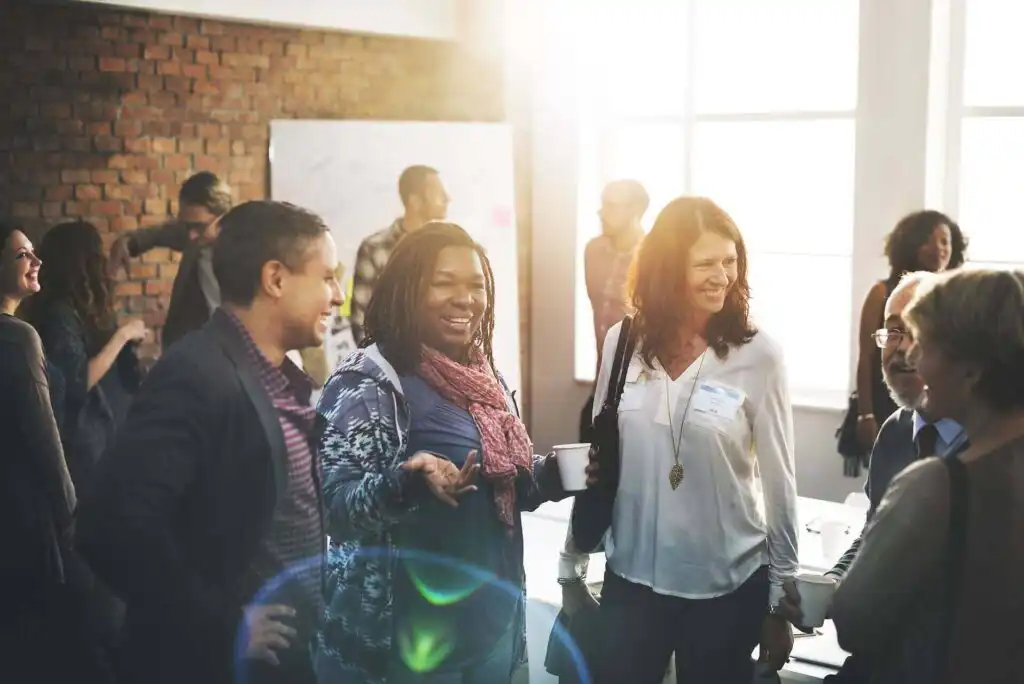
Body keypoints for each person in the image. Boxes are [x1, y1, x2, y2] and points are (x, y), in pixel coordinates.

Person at [77, 201, 344, 684]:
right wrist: (224, 624)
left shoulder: (282, 379)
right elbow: (109, 525)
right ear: (276, 279)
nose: (339, 295)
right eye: (327, 277)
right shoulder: (198, 372)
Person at [315, 222, 565, 684]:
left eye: (476, 285)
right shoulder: (368, 382)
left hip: (492, 625)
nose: (465, 298)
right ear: (408, 290)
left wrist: (559, 474)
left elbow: (503, 486)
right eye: (444, 282)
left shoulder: (482, 380)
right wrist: (406, 482)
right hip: (408, 645)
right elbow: (337, 510)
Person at [563, 197, 799, 684]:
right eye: (706, 264)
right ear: (668, 269)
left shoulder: (759, 357)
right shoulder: (622, 343)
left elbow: (780, 483)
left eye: (730, 262)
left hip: (725, 589)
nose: (722, 276)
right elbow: (599, 461)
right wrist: (572, 562)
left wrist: (781, 600)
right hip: (632, 582)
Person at [831, 267, 1024, 683]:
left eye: (927, 343)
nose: (911, 356)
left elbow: (853, 621)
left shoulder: (937, 483)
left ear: (972, 369)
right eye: (895, 332)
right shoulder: (899, 434)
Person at [777, 270, 967, 682]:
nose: (899, 348)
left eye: (915, 330)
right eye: (892, 331)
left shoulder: (988, 446)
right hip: (882, 659)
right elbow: (873, 535)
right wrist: (830, 585)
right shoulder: (896, 433)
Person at [0, 222, 101, 679]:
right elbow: (45, 440)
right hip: (27, 509)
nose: (36, 261)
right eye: (22, 254)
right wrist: (71, 516)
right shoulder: (19, 338)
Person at [22, 220, 150, 496]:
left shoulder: (75, 308)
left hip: (101, 445)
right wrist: (123, 336)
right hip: (84, 452)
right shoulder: (59, 315)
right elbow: (78, 382)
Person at [854, 210, 967, 453]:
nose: (939, 249)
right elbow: (866, 356)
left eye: (945, 241)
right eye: (930, 240)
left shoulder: (958, 298)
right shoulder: (881, 293)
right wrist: (866, 413)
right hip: (889, 396)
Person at [108, 171, 233, 350]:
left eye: (198, 226)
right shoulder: (197, 235)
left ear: (225, 218)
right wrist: (130, 242)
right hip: (182, 352)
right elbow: (163, 233)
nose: (190, 235)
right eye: (186, 225)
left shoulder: (246, 258)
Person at [578, 179, 648, 442]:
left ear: (635, 210)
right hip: (603, 377)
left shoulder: (652, 257)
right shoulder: (593, 251)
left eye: (611, 206)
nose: (601, 213)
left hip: (638, 384)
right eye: (602, 205)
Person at [349, 165, 450, 344]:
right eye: (438, 193)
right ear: (415, 201)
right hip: (389, 364)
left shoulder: (449, 251)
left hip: (441, 365)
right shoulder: (374, 248)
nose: (447, 199)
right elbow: (360, 319)